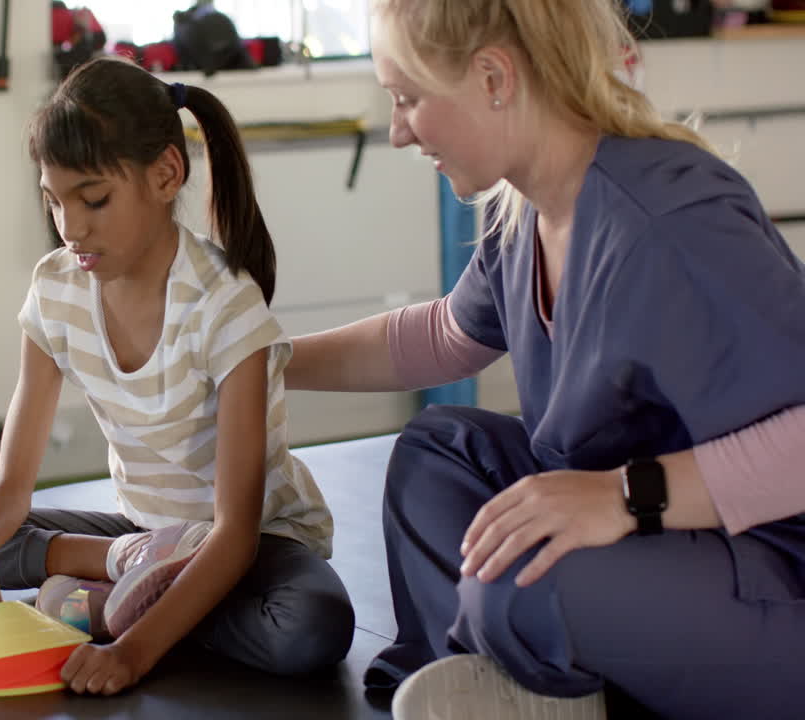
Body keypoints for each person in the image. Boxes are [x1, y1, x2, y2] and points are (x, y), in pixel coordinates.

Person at [285, 1, 805, 718]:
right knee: (439, 453)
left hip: (772, 576)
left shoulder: (671, 222)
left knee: (518, 584)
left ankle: (527, 663)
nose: (398, 130)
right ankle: (529, 674)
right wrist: (267, 362)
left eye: (407, 99)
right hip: (655, 542)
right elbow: (439, 337)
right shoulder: (527, 210)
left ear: (494, 77)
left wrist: (624, 495)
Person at [0, 56, 354, 696]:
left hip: (253, 543)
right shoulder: (56, 289)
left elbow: (232, 538)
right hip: (144, 537)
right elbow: (11, 482)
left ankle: (115, 604)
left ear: (166, 174)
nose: (71, 227)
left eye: (93, 200)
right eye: (54, 201)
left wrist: (132, 650)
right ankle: (121, 570)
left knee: (310, 627)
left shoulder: (226, 306)